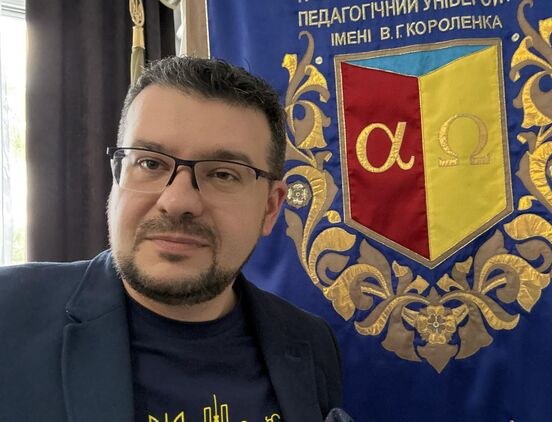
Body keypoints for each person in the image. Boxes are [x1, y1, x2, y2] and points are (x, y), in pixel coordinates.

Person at [0, 57, 344, 421]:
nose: (178, 202)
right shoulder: (9, 315)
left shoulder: (311, 343)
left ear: (271, 208)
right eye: (150, 163)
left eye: (223, 174)